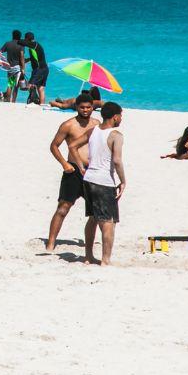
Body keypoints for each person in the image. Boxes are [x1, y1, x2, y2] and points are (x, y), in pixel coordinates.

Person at [44, 93, 99, 252]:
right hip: (73, 169)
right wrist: (64, 164)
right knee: (63, 207)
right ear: (76, 107)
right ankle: (50, 243)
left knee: (95, 212)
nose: (85, 110)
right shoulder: (68, 125)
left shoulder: (97, 124)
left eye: (89, 107)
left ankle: (90, 246)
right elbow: (54, 145)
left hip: (92, 171)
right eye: (82, 107)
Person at [79, 102, 125, 266]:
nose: (121, 118)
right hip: (103, 181)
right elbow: (117, 161)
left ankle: (88, 256)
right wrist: (123, 181)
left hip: (89, 178)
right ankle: (106, 260)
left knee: (92, 218)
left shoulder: (93, 130)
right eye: (120, 115)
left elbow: (72, 146)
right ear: (115, 117)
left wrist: (80, 165)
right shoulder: (116, 135)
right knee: (108, 221)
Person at [0, 30, 25, 102]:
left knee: (10, 84)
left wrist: (3, 62)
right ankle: (13, 101)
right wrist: (23, 68)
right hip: (17, 67)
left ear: (12, 35)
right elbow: (22, 57)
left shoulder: (7, 44)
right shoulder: (21, 45)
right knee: (16, 86)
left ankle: (8, 100)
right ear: (20, 37)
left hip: (9, 67)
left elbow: (0, 52)